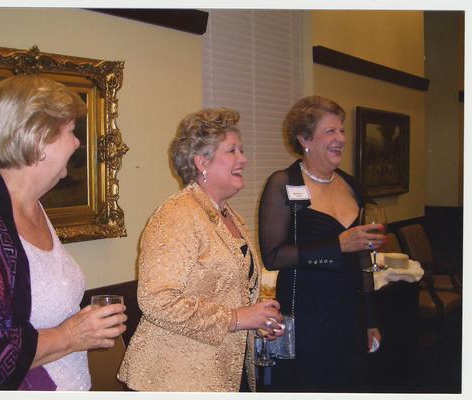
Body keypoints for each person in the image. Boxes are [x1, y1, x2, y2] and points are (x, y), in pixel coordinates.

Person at [0, 74, 127, 390]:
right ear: (39, 138)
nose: (77, 142)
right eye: (71, 131)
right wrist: (70, 336)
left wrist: (81, 332)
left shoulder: (33, 207)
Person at [117, 108, 283, 392]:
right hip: (171, 380)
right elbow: (155, 300)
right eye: (232, 151)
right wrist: (238, 318)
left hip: (223, 376)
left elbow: (233, 294)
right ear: (201, 162)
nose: (243, 159)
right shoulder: (176, 214)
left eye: (241, 150)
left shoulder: (231, 217)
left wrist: (255, 323)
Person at [258, 95, 384, 392]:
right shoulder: (283, 183)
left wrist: (370, 320)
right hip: (307, 317)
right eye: (330, 131)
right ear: (305, 139)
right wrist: (336, 245)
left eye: (341, 130)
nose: (340, 138)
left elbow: (363, 260)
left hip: (350, 317)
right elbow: (273, 256)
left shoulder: (351, 184)